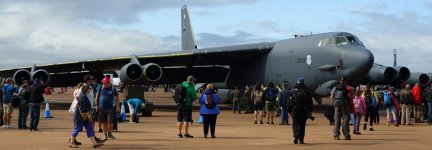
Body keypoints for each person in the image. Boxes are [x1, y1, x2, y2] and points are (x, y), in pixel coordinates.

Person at [288, 77, 313, 144]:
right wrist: (310, 111)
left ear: (297, 81)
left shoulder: (293, 89)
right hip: (304, 110)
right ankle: (301, 139)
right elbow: (310, 102)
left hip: (295, 110)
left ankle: (295, 135)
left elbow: (289, 101)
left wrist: (289, 110)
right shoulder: (306, 90)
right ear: (303, 82)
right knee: (302, 125)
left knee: (295, 124)